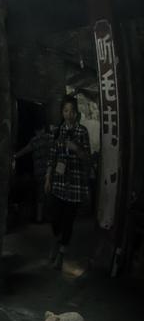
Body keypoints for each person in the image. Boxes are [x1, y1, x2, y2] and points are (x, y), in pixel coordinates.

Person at [44, 95, 90, 269]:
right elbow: (52, 157)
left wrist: (76, 148)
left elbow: (87, 159)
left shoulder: (82, 131)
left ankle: (61, 254)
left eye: (72, 111)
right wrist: (48, 178)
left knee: (68, 222)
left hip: (75, 185)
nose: (68, 114)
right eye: (65, 111)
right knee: (55, 219)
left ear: (76, 113)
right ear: (62, 113)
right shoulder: (59, 131)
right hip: (59, 183)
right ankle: (55, 241)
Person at [13, 121, 52, 222]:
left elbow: (25, 150)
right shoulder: (49, 138)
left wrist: (14, 156)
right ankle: (48, 216)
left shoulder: (34, 141)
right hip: (49, 171)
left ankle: (39, 218)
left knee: (40, 194)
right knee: (49, 194)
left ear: (35, 131)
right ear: (43, 128)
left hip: (38, 171)